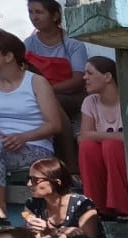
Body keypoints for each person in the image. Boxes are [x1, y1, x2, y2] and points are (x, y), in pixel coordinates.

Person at [0, 29, 62, 224]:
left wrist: (23, 137)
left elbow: (55, 125)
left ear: (8, 57)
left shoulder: (36, 82)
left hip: (35, 147)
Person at [21, 155, 113, 238]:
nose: (29, 184)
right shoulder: (32, 205)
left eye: (35, 180)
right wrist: (57, 234)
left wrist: (53, 234)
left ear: (56, 182)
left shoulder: (82, 204)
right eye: (28, 178)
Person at [22, 1, 82, 167]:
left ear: (55, 16)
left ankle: (71, 163)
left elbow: (78, 80)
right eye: (31, 12)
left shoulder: (73, 44)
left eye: (39, 12)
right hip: (37, 94)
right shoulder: (28, 44)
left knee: (53, 104)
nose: (34, 17)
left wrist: (46, 91)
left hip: (69, 96)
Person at [76, 56, 127, 220]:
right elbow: (83, 137)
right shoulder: (90, 102)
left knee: (111, 146)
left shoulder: (127, 99)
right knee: (88, 147)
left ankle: (124, 207)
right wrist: (116, 136)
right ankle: (96, 206)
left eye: (90, 73)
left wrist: (101, 137)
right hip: (106, 163)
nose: (85, 77)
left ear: (107, 77)